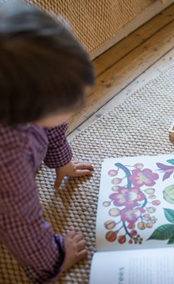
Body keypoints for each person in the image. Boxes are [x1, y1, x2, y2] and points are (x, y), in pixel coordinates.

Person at [0, 1, 95, 282]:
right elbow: (20, 222)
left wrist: (61, 160)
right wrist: (52, 259)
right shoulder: (8, 152)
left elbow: (51, 125)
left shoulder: (20, 95)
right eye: (67, 104)